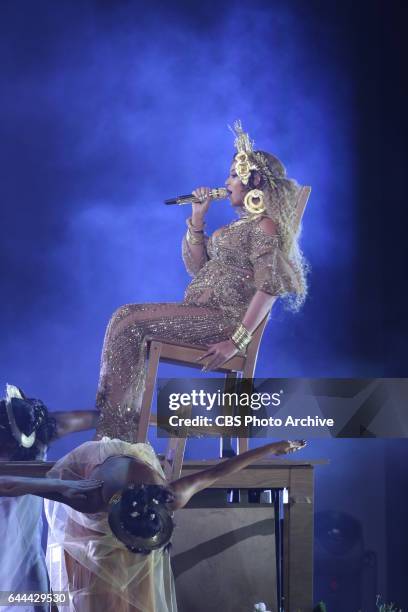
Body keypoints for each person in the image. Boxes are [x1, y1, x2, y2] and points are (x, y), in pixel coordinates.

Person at [95, 121, 309, 442]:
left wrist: (237, 341)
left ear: (255, 182)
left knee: (128, 319)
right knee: (125, 321)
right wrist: (197, 219)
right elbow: (200, 270)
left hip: (222, 322)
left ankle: (114, 440)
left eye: (234, 175)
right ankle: (118, 435)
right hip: (198, 312)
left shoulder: (264, 227)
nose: (227, 182)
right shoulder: (238, 228)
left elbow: (270, 286)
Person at [0, 435, 306, 612]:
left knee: (137, 581)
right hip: (96, 478)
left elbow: (222, 470)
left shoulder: (171, 495)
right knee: (98, 579)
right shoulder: (87, 497)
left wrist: (275, 447)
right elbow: (17, 485)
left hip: (130, 491)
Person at [0, 384, 100, 612]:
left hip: (25, 557)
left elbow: (97, 418)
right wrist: (60, 485)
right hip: (5, 557)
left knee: (35, 603)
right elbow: (6, 485)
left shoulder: (39, 432)